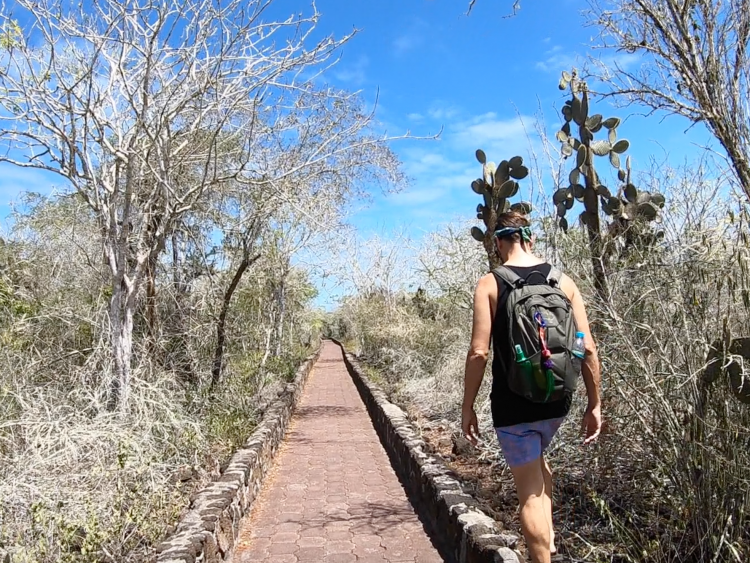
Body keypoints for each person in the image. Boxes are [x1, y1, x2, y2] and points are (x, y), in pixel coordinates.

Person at [461, 211, 602, 563]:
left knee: (529, 495)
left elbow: (479, 352)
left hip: (513, 406)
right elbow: (587, 348)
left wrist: (468, 407)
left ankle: (541, 556)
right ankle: (550, 539)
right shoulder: (562, 281)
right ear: (530, 238)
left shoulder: (490, 283)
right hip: (557, 400)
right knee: (539, 469)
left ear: (497, 243)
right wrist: (594, 404)